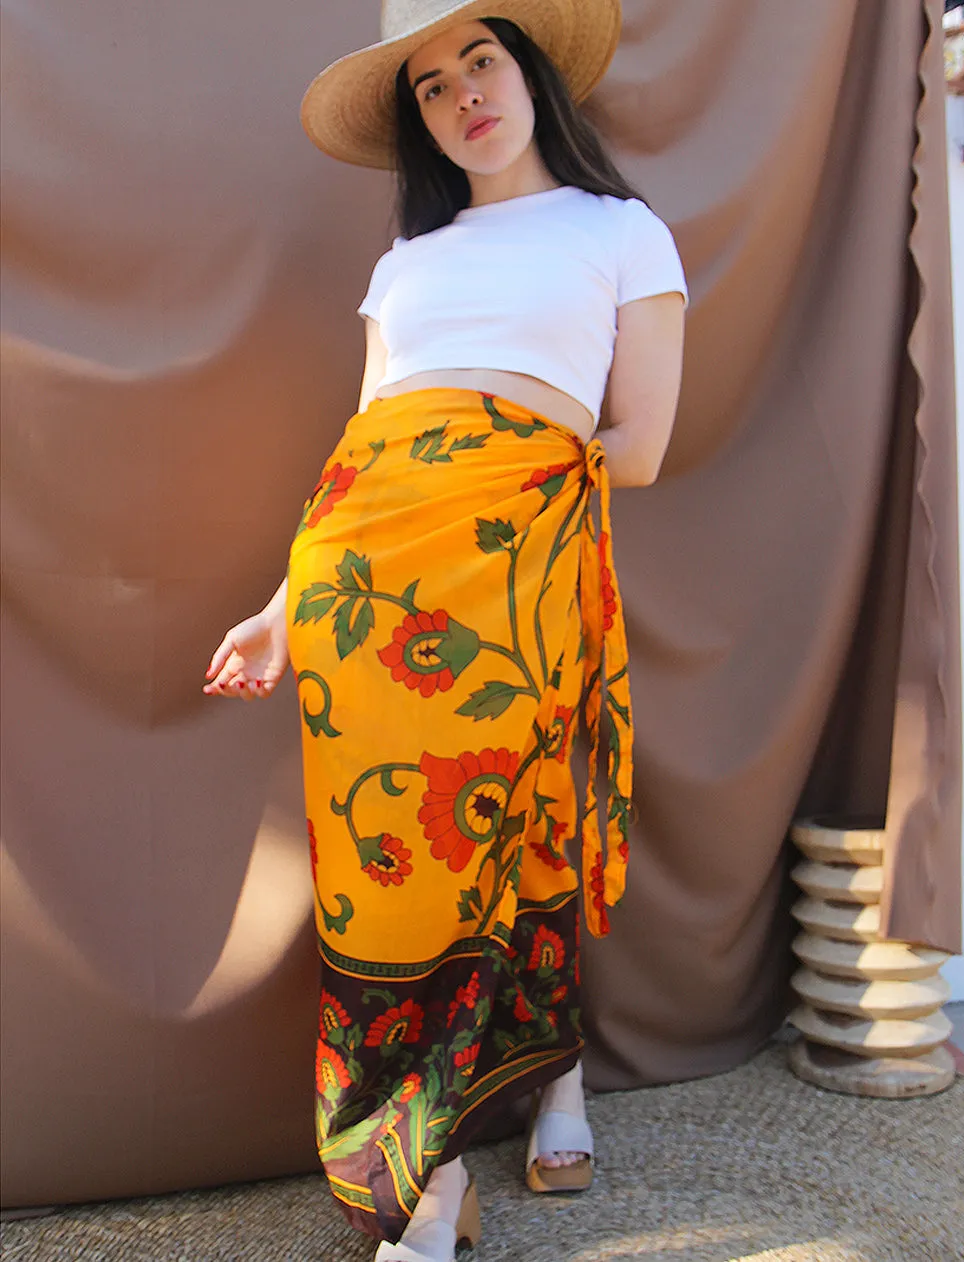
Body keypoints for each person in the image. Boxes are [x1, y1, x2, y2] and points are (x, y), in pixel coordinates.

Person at [204, 2, 686, 1258]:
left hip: (516, 560)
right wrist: (278, 610)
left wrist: (500, 466)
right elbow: (357, 448)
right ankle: (431, 1176)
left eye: (480, 63)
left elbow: (638, 447)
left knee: (512, 828)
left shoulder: (620, 231)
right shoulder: (407, 261)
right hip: (364, 584)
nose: (461, 95)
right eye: (428, 86)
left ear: (527, 75)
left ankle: (553, 1077)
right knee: (386, 867)